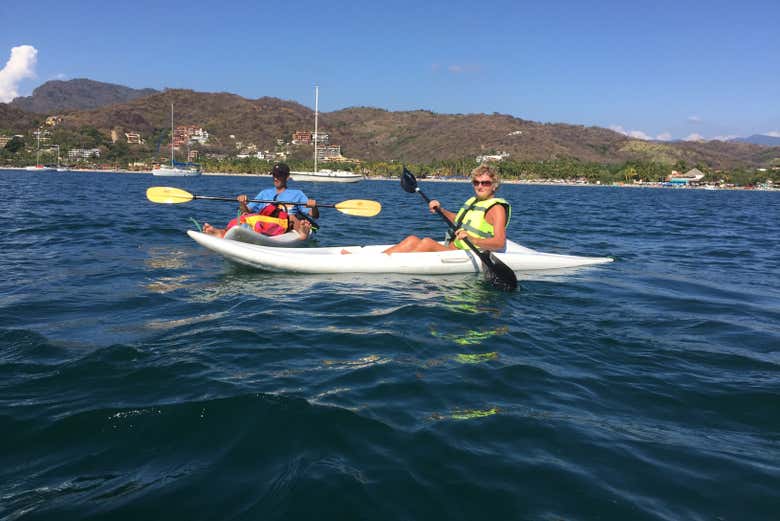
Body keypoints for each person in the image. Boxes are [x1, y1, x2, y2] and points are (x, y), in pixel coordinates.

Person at [381, 163, 510, 254]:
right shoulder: (475, 201)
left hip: (468, 253)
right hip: (454, 249)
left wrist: (472, 239)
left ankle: (393, 267)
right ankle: (379, 260)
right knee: (412, 240)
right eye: (476, 182)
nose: (480, 186)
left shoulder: (497, 208)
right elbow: (458, 220)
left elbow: (499, 243)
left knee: (427, 243)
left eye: (485, 183)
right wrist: (440, 210)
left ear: (494, 185)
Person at [203, 163, 320, 239]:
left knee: (292, 217)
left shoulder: (297, 194)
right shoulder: (264, 193)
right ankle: (222, 233)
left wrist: (313, 206)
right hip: (266, 224)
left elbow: (314, 215)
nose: (275, 178)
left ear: (287, 177)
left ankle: (302, 232)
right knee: (244, 217)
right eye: (274, 175)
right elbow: (246, 211)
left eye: (279, 175)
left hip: (285, 225)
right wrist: (242, 203)